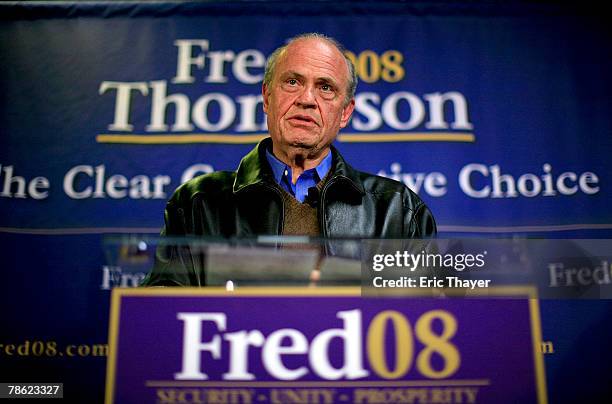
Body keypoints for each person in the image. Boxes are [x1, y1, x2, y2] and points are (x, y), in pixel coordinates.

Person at [142, 33, 436, 286]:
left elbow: (424, 315)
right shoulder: (198, 203)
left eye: (325, 87)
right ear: (267, 98)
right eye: (293, 82)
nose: (307, 99)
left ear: (345, 112)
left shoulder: (398, 210)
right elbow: (163, 317)